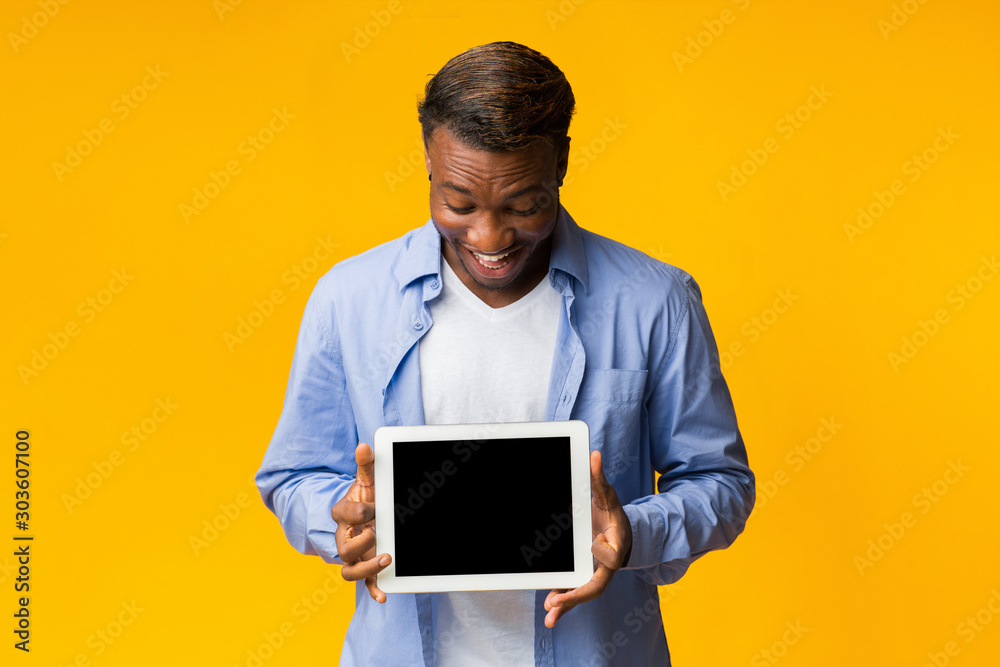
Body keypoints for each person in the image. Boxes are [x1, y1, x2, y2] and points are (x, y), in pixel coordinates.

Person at [255, 41, 755, 666]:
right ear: (429, 164)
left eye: (523, 205)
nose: (489, 238)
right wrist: (339, 521)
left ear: (562, 165)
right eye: (459, 204)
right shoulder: (348, 300)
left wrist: (633, 534)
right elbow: (291, 476)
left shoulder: (655, 301)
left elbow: (720, 482)